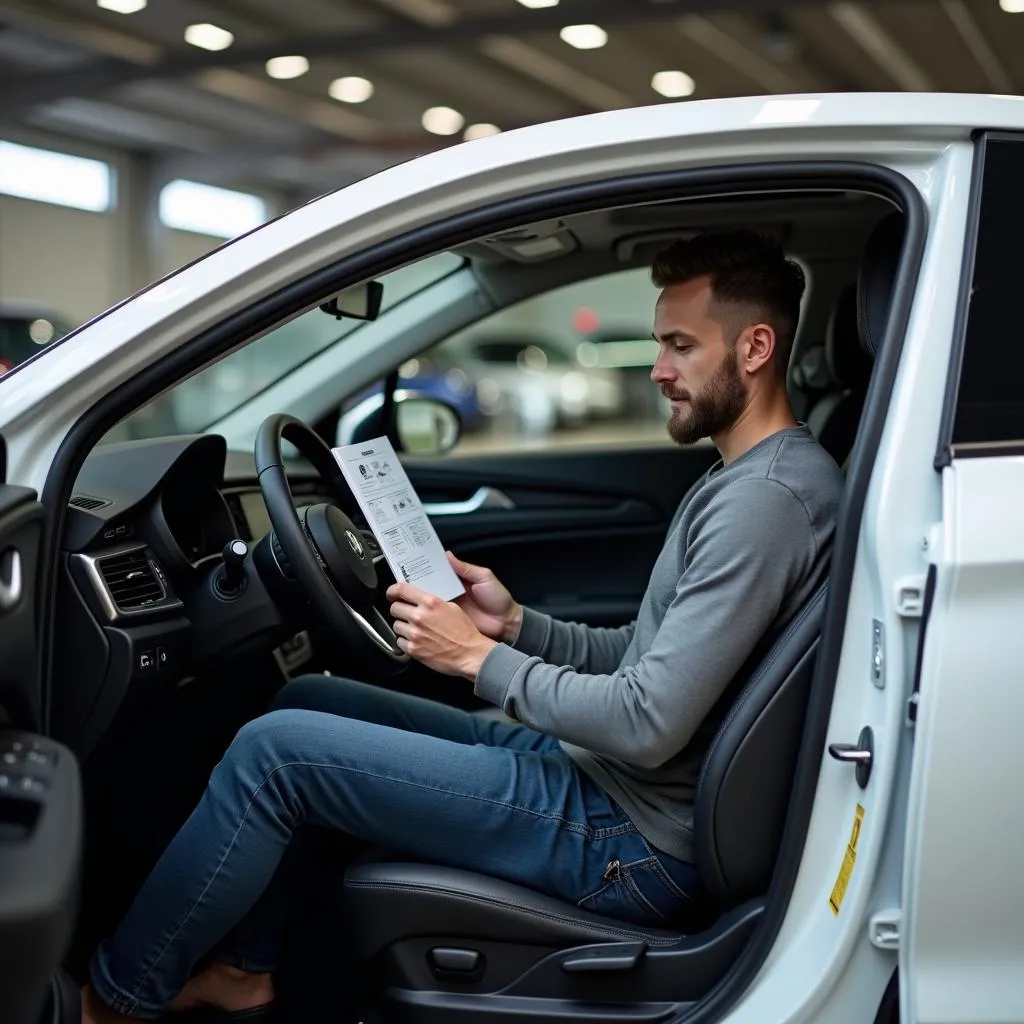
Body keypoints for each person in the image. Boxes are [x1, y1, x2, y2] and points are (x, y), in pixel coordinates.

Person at [82, 231, 844, 1023]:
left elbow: (647, 721)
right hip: (604, 777)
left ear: (755, 347)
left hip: (633, 842)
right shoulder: (743, 478)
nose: (656, 369)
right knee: (308, 698)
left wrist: (476, 659)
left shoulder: (766, 503)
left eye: (680, 346)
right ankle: (244, 968)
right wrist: (514, 625)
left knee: (274, 757)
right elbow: (642, 658)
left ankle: (114, 1000)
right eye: (659, 344)